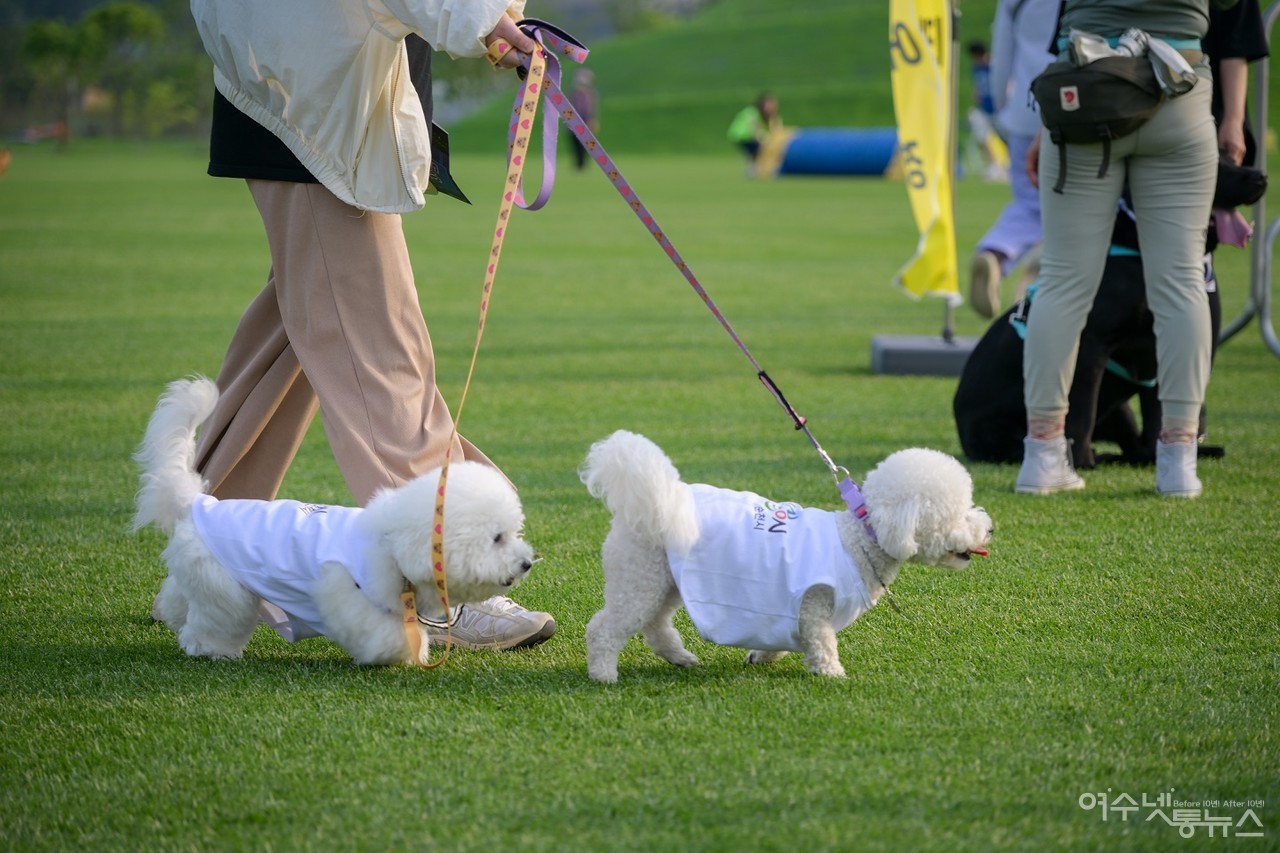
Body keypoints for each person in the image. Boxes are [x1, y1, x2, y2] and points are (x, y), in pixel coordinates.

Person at [183, 0, 556, 649]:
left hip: (299, 88)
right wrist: (476, 17)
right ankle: (442, 576)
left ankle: (201, 552)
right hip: (314, 101)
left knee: (303, 325)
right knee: (381, 351)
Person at [1016, 0, 1240, 500]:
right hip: (1177, 85)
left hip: (1085, 88)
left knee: (1062, 282)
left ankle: (1044, 454)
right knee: (1183, 281)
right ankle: (1178, 461)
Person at [968, 0, 1059, 319]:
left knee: (1030, 202)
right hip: (1084, 105)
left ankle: (995, 252)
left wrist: (1002, 113)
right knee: (1088, 206)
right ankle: (1044, 262)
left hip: (1025, 109)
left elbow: (1002, 55)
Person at [727, 92, 781, 174]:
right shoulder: (752, 112)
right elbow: (754, 128)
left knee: (755, 152)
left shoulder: (757, 113)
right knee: (758, 149)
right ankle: (757, 168)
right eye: (768, 104)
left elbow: (774, 128)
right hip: (742, 136)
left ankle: (754, 168)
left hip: (740, 136)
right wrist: (763, 138)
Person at [566, 69, 600, 171]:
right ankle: (578, 163)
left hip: (585, 123)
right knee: (574, 144)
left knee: (584, 144)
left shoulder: (590, 94)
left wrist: (593, 120)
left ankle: (583, 164)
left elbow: (592, 109)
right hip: (573, 123)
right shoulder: (573, 93)